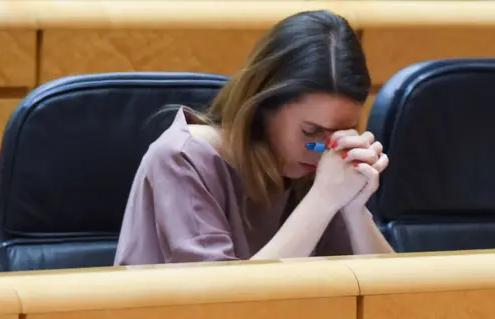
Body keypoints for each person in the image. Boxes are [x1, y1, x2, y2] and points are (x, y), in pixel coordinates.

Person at [114, 10, 393, 265]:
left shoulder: (321, 174)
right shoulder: (180, 159)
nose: (324, 149)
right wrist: (322, 199)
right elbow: (231, 307)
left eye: (344, 131)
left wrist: (355, 210)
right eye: (310, 131)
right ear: (263, 107)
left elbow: (396, 303)